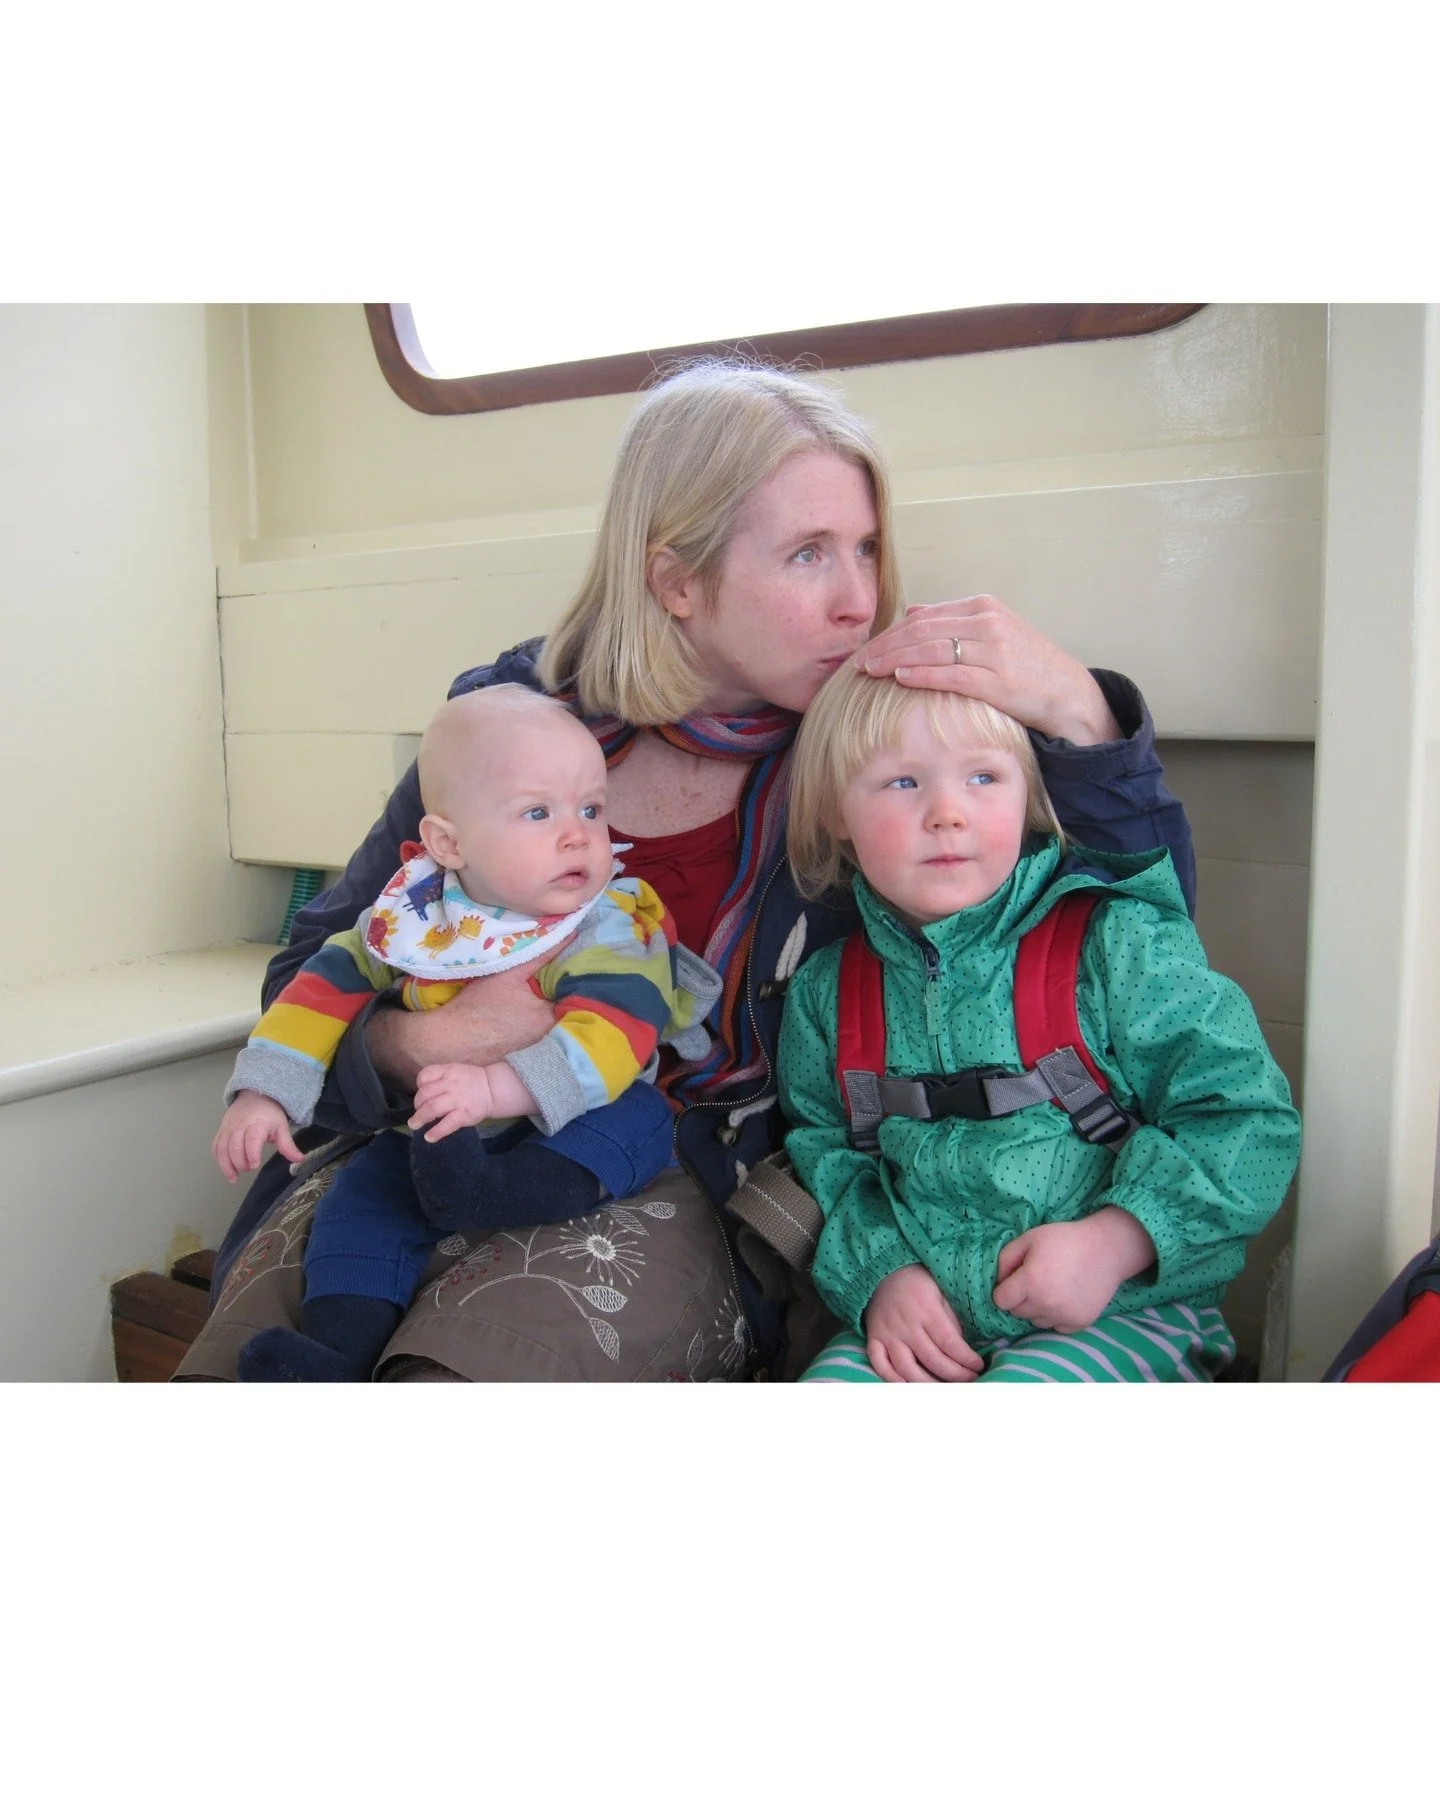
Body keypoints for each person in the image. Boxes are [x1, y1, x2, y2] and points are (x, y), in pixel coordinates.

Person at [178, 357, 1198, 1384]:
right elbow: (314, 973)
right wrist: (433, 1043)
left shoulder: (880, 754)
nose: (861, 602)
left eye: (868, 549)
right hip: (426, 1134)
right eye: (808, 554)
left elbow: (1123, 953)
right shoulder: (508, 726)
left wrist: (1080, 714)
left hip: (680, 1179)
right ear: (674, 579)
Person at [779, 664, 1301, 1382]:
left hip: (1124, 1309)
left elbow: (1246, 1119)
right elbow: (828, 1156)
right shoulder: (827, 995)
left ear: (1028, 796)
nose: (947, 812)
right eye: (903, 782)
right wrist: (883, 1277)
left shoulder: (1117, 945)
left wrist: (1116, 1241)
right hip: (926, 1320)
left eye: (984, 778)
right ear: (836, 812)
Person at [210, 684, 720, 1379]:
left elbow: (617, 1035)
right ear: (448, 843)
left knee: (632, 1128)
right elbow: (316, 994)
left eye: (592, 809)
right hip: (439, 1128)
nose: (578, 834)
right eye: (537, 813)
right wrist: (266, 1093)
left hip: (568, 1121)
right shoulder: (411, 917)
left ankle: (494, 1194)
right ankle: (333, 1356)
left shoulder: (607, 923)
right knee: (357, 1212)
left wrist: (495, 1086)